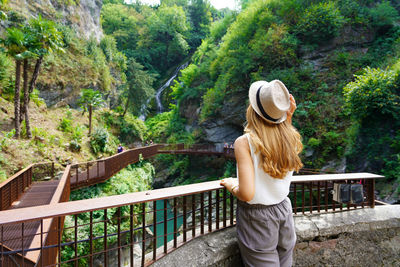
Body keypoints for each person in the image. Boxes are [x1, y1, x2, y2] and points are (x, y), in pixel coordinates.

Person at [220, 80, 303, 267]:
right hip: (284, 210)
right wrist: (287, 117)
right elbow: (278, 137)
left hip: (258, 218)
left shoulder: (244, 142)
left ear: (253, 110)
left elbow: (247, 193)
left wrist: (231, 184)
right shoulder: (290, 137)